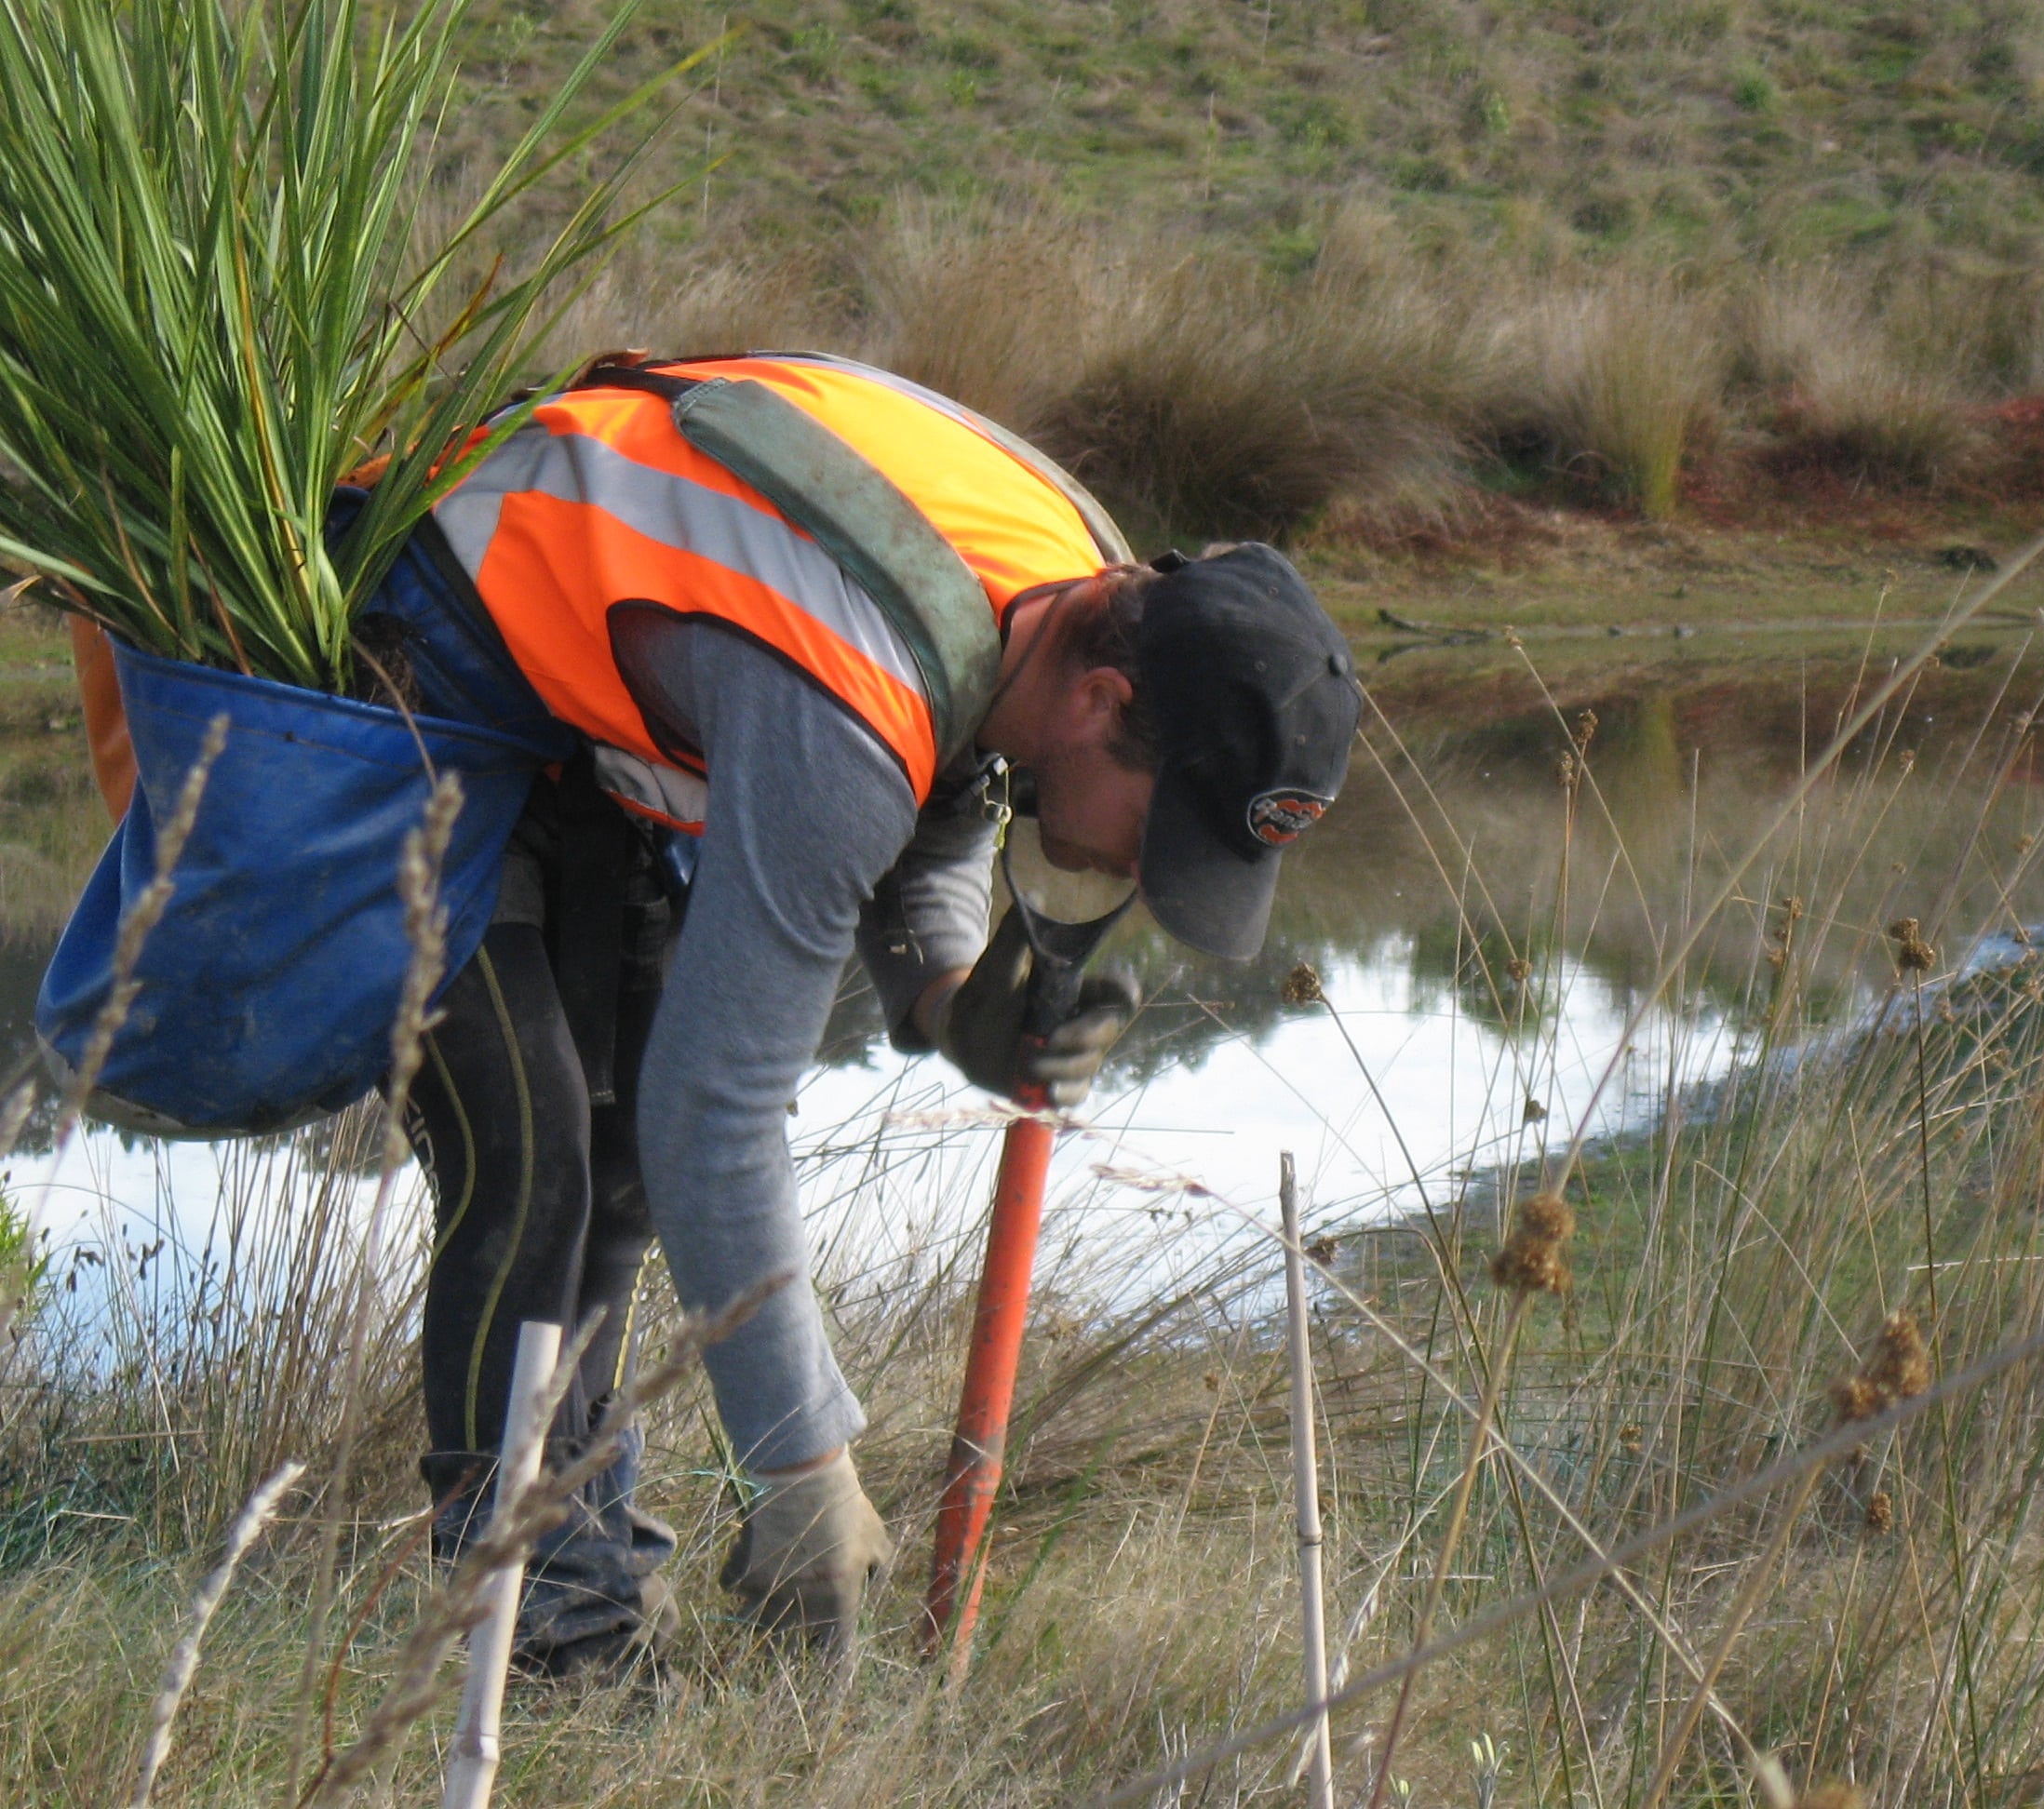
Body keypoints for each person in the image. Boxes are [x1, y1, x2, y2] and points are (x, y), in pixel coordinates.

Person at [383, 352, 1361, 1673]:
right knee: (535, 1148)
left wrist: (949, 996)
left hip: (578, 707)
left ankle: (578, 1572)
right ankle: (520, 1621)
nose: (1144, 874)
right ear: (1103, 703)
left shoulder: (1087, 585)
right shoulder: (837, 708)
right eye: (1160, 830)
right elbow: (715, 1110)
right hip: (409, 659)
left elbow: (951, 778)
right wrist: (802, 1474)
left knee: (614, 1174)